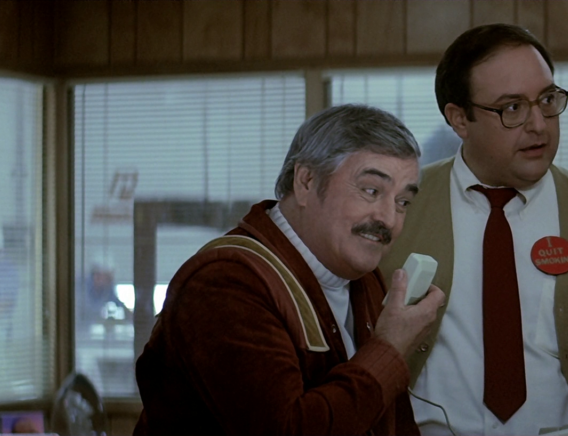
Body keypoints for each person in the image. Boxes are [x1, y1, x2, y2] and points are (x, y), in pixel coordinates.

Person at [379, 24, 568, 435]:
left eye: (547, 100)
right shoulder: (398, 210)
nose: (539, 125)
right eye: (512, 108)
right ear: (459, 119)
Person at [133, 104, 445, 435]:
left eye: (403, 202)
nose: (389, 219)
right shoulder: (225, 282)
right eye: (371, 191)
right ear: (306, 182)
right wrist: (390, 349)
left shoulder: (364, 277)